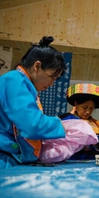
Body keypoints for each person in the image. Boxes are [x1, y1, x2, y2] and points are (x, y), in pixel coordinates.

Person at [0, 36, 67, 169]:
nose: (51, 84)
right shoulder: (14, 80)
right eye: (51, 77)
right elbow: (31, 124)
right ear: (37, 66)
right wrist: (60, 125)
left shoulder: (23, 84)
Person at [59, 83, 99, 160]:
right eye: (85, 107)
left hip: (92, 162)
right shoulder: (65, 121)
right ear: (76, 104)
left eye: (91, 108)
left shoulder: (97, 125)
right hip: (69, 161)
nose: (88, 111)